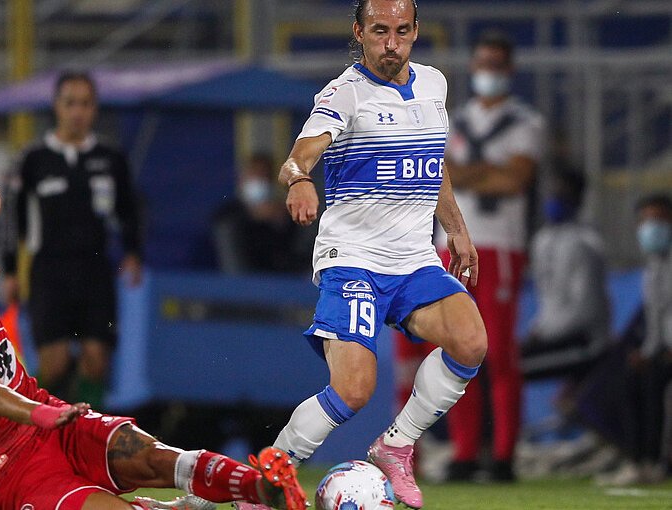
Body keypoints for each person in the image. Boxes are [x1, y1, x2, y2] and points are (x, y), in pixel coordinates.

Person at [0, 188, 307, 510]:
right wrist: (47, 413)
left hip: (56, 431)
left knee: (155, 456)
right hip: (8, 469)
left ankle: (264, 490)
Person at [261, 1, 488, 508]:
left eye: (401, 31)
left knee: (471, 341)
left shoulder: (434, 84)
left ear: (415, 31)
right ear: (359, 31)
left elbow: (433, 162)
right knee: (354, 389)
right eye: (380, 31)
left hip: (413, 259)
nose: (391, 43)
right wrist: (299, 180)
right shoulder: (344, 93)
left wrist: (457, 230)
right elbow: (300, 155)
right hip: (355, 258)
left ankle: (396, 445)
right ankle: (265, 482)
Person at [395, 30, 544, 482]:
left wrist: (462, 175)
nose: (488, 73)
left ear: (509, 71)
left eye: (496, 65)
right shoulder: (453, 120)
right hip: (445, 247)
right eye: (482, 63)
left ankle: (502, 456)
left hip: (500, 245)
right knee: (451, 349)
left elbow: (513, 180)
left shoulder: (526, 122)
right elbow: (436, 175)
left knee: (498, 353)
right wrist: (480, 173)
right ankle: (463, 453)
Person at [0, 72, 142, 406]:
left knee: (97, 359)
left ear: (95, 109)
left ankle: (88, 437)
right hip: (49, 270)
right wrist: (8, 269)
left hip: (95, 270)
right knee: (55, 361)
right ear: (57, 107)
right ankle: (45, 430)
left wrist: (133, 252)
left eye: (85, 104)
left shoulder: (110, 158)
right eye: (70, 103)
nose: (78, 111)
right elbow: (10, 218)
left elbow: (129, 210)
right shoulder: (32, 159)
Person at [596, 194, 672, 485]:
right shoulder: (652, 268)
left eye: (659, 219)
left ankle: (654, 462)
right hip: (663, 350)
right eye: (646, 220)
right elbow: (656, 321)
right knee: (629, 379)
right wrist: (647, 351)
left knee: (653, 384)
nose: (652, 226)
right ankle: (638, 460)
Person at [521, 170, 610, 380]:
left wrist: (546, 334)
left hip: (584, 341)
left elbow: (587, 311)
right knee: (492, 362)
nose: (554, 197)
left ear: (578, 198)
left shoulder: (587, 242)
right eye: (551, 192)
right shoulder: (542, 240)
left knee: (505, 370)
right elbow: (550, 301)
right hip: (552, 335)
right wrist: (538, 328)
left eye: (562, 192)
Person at [213, 153, 312, 274]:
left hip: (278, 281)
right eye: (254, 175)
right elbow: (222, 228)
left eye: (264, 176)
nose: (259, 180)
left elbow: (293, 255)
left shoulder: (283, 212)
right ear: (242, 179)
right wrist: (254, 215)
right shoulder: (230, 213)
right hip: (240, 282)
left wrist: (281, 222)